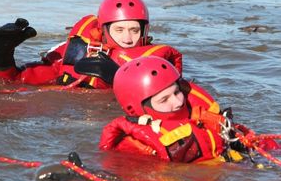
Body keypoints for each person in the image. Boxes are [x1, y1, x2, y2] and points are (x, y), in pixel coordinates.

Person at [0, 0, 182, 89]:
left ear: (145, 31)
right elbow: (9, 83)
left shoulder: (157, 63)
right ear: (103, 29)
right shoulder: (77, 48)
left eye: (134, 30)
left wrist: (118, 79)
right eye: (119, 29)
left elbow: (168, 102)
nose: (128, 38)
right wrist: (2, 55)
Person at [99, 56, 257, 164]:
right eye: (164, 99)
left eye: (176, 92)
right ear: (139, 109)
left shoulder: (199, 113)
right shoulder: (134, 146)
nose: (177, 102)